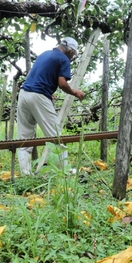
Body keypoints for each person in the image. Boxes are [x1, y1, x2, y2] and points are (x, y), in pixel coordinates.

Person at [17, 37, 85, 175]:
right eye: (73, 55)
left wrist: (48, 92)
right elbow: (62, 83)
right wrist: (74, 92)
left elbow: (34, 76)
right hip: (38, 96)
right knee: (56, 136)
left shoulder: (44, 54)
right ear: (71, 51)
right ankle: (65, 173)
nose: (72, 57)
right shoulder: (64, 59)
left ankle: (26, 175)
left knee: (24, 139)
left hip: (24, 94)